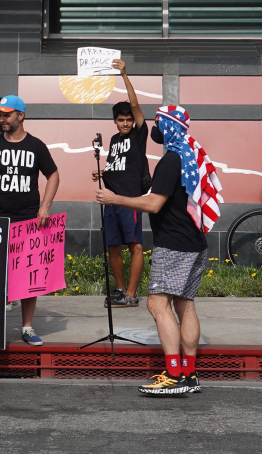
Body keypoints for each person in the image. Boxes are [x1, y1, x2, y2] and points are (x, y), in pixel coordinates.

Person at [97, 105, 220, 397]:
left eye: (157, 123)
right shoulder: (187, 154)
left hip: (174, 245)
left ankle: (174, 375)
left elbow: (154, 204)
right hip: (194, 242)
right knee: (185, 305)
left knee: (156, 304)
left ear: (168, 127)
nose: (154, 128)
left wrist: (117, 198)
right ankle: (189, 373)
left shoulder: (170, 161)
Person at [0, 95, 60, 346]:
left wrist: (46, 207)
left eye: (7, 114)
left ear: (21, 115)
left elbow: (53, 175)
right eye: (0, 114)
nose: (2, 118)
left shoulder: (36, 146)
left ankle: (27, 328)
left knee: (29, 276)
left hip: (29, 221)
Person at [91, 60, 148, 309]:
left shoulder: (139, 134)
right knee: (113, 246)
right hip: (110, 199)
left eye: (128, 120)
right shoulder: (114, 140)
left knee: (135, 245)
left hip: (130, 200)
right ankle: (121, 290)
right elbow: (119, 165)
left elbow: (134, 104)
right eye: (121, 120)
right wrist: (103, 173)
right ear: (115, 121)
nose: (125, 123)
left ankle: (132, 294)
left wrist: (124, 74)